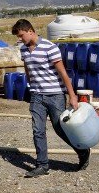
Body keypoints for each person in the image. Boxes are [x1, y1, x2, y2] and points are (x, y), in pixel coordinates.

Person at [12, 19, 91, 178]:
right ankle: (42, 165)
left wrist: (72, 96)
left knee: (61, 129)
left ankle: (83, 152)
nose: (20, 39)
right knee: (37, 130)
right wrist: (31, 87)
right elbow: (28, 70)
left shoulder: (50, 47)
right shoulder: (24, 50)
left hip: (55, 95)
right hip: (36, 96)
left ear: (30, 31)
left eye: (21, 35)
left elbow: (63, 74)